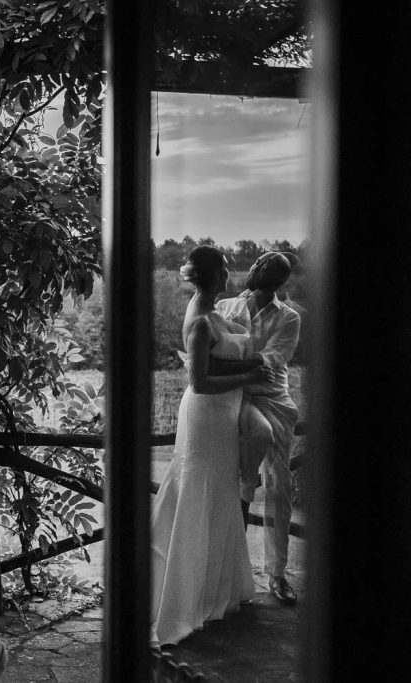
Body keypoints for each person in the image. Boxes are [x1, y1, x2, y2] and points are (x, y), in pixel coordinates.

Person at [151, 246, 270, 647]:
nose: (228, 273)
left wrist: (251, 368)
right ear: (212, 275)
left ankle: (217, 590)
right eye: (223, 268)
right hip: (208, 413)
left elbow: (217, 364)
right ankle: (188, 599)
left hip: (223, 413)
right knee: (201, 490)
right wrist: (248, 377)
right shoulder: (201, 320)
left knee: (219, 491)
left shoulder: (210, 309)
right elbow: (199, 381)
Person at [215, 251, 302, 605]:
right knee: (235, 481)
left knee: (280, 486)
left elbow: (272, 362)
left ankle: (277, 574)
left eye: (265, 268)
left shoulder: (290, 317)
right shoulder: (225, 307)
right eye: (256, 265)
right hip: (233, 396)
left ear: (278, 281)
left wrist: (221, 360)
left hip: (272, 400)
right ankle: (229, 572)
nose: (255, 270)